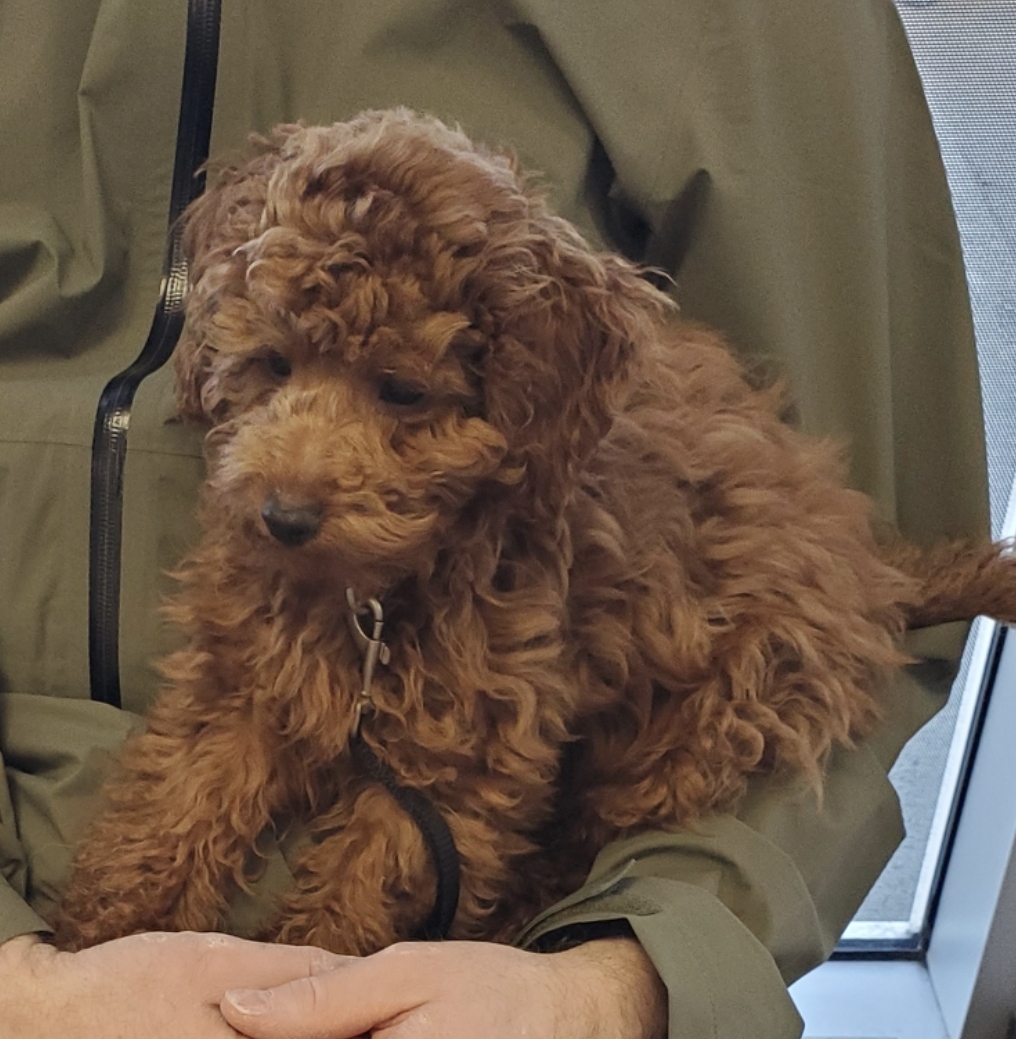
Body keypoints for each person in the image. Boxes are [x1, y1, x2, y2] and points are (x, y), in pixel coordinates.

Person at [0, 1, 988, 1036]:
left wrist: (619, 971)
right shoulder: (264, 524)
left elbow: (446, 805)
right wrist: (57, 969)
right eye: (277, 368)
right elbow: (225, 725)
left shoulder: (529, 526)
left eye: (401, 394)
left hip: (606, 830)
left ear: (528, 398)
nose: (290, 475)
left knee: (450, 805)